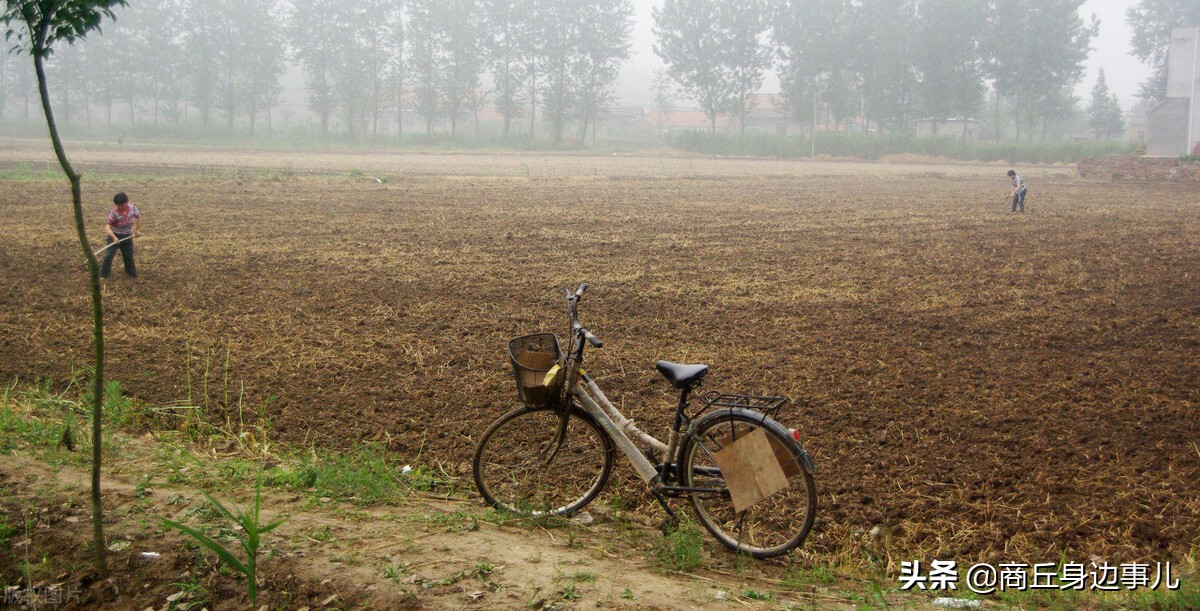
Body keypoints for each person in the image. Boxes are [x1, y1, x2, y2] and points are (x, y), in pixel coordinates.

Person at [100, 192, 141, 278]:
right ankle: (103, 275)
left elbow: (138, 217)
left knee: (128, 255)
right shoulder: (114, 212)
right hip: (114, 235)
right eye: (118, 205)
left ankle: (131, 274)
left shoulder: (133, 208)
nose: (119, 207)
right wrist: (114, 237)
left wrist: (137, 230)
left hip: (127, 236)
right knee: (108, 255)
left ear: (126, 203)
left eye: (121, 205)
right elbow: (107, 227)